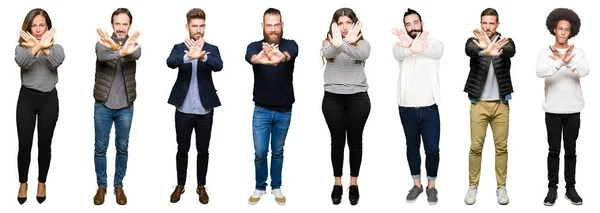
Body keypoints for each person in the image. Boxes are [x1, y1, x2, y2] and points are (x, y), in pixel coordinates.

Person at [166, 8, 223, 205]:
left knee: (203, 150)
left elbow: (219, 65)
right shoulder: (178, 47)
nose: (198, 30)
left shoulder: (212, 49)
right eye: (194, 26)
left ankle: (201, 186)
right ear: (187, 26)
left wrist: (202, 56)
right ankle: (180, 185)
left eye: (201, 26)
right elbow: (170, 62)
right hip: (183, 109)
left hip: (205, 110)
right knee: (182, 149)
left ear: (204, 26)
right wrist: (188, 56)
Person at [245, 7, 298, 206]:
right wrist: (257, 60)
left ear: (282, 25)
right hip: (261, 110)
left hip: (284, 110)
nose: (273, 29)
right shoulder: (254, 46)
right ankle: (260, 187)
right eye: (269, 25)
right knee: (260, 152)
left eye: (277, 25)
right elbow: (249, 56)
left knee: (278, 151)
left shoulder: (290, 45)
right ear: (263, 26)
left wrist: (281, 57)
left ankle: (276, 186)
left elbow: (290, 53)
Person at [463, 7, 515, 206]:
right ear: (480, 23)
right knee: (476, 147)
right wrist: (485, 49)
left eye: (491, 23)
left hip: (501, 104)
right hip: (479, 104)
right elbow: (470, 50)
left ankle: (501, 187)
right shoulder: (473, 41)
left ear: (497, 24)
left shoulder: (505, 42)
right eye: (484, 23)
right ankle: (472, 186)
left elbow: (510, 51)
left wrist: (495, 48)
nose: (487, 26)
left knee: (501, 148)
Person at [536, 8, 588, 206]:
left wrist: (569, 60)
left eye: (567, 29)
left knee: (571, 151)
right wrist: (559, 62)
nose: (563, 32)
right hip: (552, 110)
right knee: (553, 151)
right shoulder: (544, 53)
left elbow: (585, 70)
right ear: (554, 30)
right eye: (560, 29)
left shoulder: (579, 52)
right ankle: (552, 189)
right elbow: (540, 72)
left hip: (573, 109)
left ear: (571, 31)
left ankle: (571, 188)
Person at [392, 8, 443, 205]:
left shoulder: (435, 44)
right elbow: (400, 54)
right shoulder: (399, 47)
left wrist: (415, 46)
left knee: (432, 149)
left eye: (415, 23)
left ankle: (431, 187)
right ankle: (417, 185)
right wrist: (409, 48)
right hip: (406, 107)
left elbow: (434, 51)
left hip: (430, 107)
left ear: (421, 24)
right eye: (408, 24)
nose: (412, 27)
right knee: (412, 147)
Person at [321, 7, 370, 206]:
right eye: (340, 23)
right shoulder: (328, 43)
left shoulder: (363, 44)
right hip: (332, 99)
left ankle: (354, 184)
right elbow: (329, 51)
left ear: (354, 24)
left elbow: (362, 55)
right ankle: (337, 184)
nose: (344, 27)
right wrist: (342, 43)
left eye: (348, 23)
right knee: (337, 142)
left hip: (358, 99)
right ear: (334, 25)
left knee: (355, 143)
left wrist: (347, 43)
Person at [15, 8, 65, 205]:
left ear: (48, 27)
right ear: (28, 27)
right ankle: (22, 182)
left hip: (49, 100)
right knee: (24, 145)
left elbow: (56, 62)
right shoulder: (21, 48)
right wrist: (35, 47)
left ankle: (42, 182)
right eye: (34, 25)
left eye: (41, 25)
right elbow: (22, 62)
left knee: (44, 145)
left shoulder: (57, 48)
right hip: (26, 99)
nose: (37, 29)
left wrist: (44, 47)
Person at [92, 7, 141, 205]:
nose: (121, 28)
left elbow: (135, 55)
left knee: (122, 148)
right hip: (103, 105)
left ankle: (118, 186)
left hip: (125, 107)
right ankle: (101, 186)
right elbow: (103, 56)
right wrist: (119, 49)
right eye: (117, 23)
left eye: (125, 24)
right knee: (100, 148)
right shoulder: (101, 43)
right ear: (112, 24)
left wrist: (123, 50)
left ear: (129, 26)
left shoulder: (135, 45)